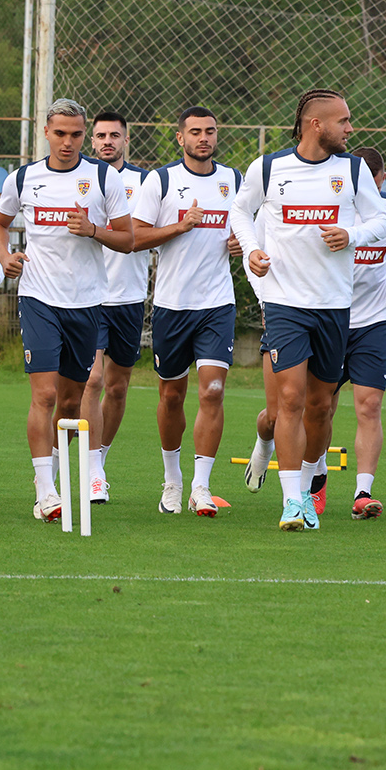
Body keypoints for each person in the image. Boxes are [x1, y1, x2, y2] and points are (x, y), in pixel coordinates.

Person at [229, 89, 386, 531]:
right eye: (343, 121)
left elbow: (384, 221)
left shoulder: (354, 169)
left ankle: (303, 486)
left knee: (321, 407)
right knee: (290, 400)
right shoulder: (268, 167)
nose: (350, 128)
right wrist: (252, 251)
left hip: (335, 305)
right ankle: (292, 502)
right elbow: (238, 214)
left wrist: (352, 234)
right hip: (285, 303)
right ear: (316, 125)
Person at [0, 98, 132, 523]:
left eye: (75, 134)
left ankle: (51, 470)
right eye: (59, 133)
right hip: (38, 299)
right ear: (46, 133)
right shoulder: (24, 178)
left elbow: (127, 239)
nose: (67, 142)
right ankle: (45, 489)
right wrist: (5, 257)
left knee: (72, 402)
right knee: (46, 395)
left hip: (86, 303)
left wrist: (93, 230)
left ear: (84, 134)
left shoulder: (104, 178)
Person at [130, 106, 240, 517]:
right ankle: (172, 480)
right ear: (180, 138)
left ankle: (202, 486)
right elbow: (136, 237)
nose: (203, 138)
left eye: (210, 131)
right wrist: (180, 225)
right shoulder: (161, 180)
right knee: (172, 395)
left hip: (217, 303)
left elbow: (249, 228)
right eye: (195, 132)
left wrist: (240, 242)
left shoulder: (233, 180)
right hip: (172, 305)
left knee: (212, 390)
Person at [308, 147, 386, 520]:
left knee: (369, 405)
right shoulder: (331, 207)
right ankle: (316, 482)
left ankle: (363, 492)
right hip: (330, 319)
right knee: (320, 408)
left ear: (381, 179)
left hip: (374, 323)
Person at [81, 110, 150, 504]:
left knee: (119, 388)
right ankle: (92, 471)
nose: (107, 141)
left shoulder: (143, 182)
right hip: (89, 296)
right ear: (92, 140)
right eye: (101, 135)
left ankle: (100, 458)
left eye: (115, 135)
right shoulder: (81, 178)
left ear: (126, 139)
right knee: (92, 380)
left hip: (129, 296)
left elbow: (153, 230)